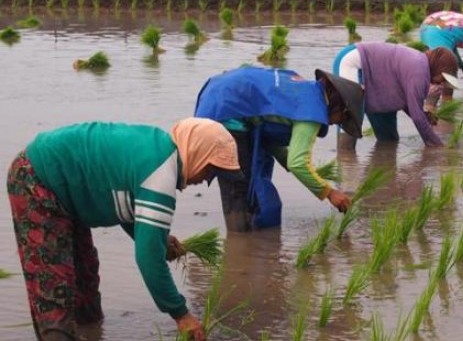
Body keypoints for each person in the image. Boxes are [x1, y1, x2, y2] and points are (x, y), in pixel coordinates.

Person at [6, 117, 243, 341]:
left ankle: (91, 333)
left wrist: (160, 240)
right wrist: (181, 314)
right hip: (38, 178)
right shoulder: (160, 175)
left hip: (69, 190)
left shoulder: (159, 148)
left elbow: (124, 205)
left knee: (84, 277)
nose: (206, 179)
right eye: (210, 170)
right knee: (55, 284)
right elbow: (148, 259)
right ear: (197, 152)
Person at [194, 65, 364, 231]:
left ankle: (244, 243)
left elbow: (270, 133)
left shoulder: (305, 90)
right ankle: (238, 243)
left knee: (245, 188)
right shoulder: (312, 111)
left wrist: (294, 166)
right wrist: (329, 193)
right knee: (239, 189)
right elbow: (298, 163)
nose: (336, 123)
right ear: (339, 106)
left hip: (216, 93)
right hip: (226, 112)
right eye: (342, 119)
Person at [331, 42, 459, 147]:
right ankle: (346, 170)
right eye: (442, 79)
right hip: (353, 63)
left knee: (389, 141)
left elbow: (411, 105)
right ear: (437, 68)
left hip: (378, 85)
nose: (441, 83)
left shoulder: (420, 66)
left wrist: (425, 115)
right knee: (351, 120)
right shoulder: (420, 72)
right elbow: (417, 117)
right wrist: (437, 146)